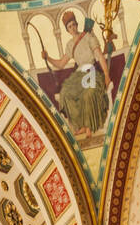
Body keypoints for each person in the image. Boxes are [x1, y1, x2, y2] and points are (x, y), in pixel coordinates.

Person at [43, 11, 111, 140]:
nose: (72, 28)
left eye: (74, 24)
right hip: (79, 75)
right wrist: (48, 58)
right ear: (67, 30)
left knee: (88, 93)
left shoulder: (88, 36)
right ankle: (82, 125)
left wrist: (107, 75)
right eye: (69, 27)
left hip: (92, 71)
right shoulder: (69, 45)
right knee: (66, 95)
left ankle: (89, 127)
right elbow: (61, 64)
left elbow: (100, 56)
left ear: (77, 24)